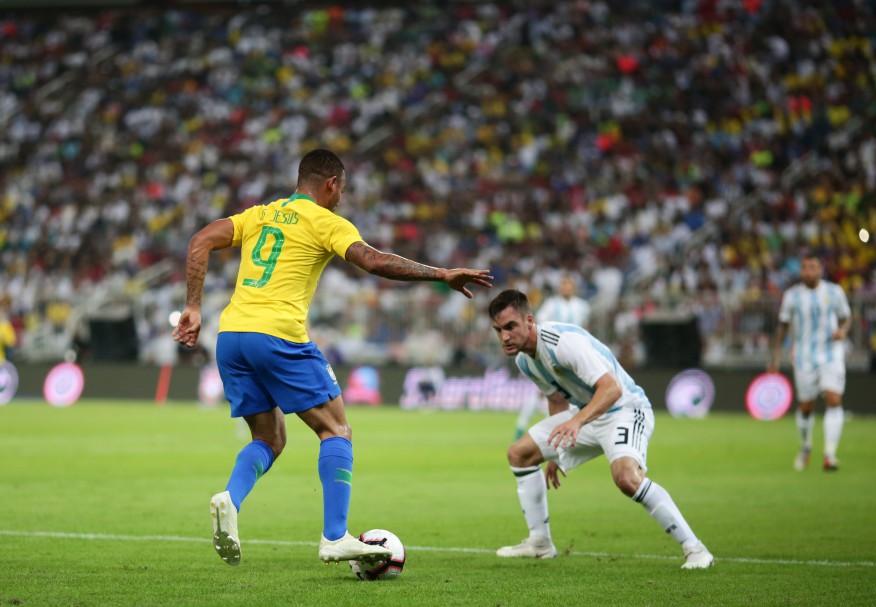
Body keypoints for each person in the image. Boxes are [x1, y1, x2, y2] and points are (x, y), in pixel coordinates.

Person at [172, 149, 493, 567]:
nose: (341, 196)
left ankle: (230, 498)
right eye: (341, 187)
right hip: (277, 335)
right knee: (336, 429)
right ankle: (335, 536)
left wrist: (193, 307)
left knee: (269, 438)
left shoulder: (261, 214)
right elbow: (374, 261)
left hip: (231, 336)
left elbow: (200, 241)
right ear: (331, 184)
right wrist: (441, 274)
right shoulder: (326, 221)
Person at [488, 289, 714, 569]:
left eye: (511, 326)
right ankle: (540, 543)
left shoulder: (561, 343)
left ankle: (695, 549)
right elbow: (556, 398)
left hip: (625, 409)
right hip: (585, 414)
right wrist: (554, 452)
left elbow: (611, 389)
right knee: (519, 454)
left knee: (627, 479)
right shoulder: (525, 361)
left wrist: (576, 421)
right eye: (498, 330)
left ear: (530, 321)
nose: (505, 336)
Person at [769, 252, 851, 472]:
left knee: (833, 399)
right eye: (804, 267)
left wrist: (842, 331)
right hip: (804, 357)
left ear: (821, 270)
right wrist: (775, 356)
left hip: (831, 354)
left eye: (812, 267)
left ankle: (830, 454)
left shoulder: (834, 292)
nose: (808, 271)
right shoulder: (792, 296)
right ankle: (806, 446)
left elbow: (845, 317)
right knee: (806, 407)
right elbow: (783, 326)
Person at [512, 276, 591, 439]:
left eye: (568, 285)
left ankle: (553, 428)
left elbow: (584, 329)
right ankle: (521, 425)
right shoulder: (551, 305)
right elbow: (540, 325)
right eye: (563, 285)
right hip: (552, 354)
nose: (565, 288)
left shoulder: (583, 307)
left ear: (573, 288)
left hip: (574, 355)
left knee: (565, 392)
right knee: (544, 391)